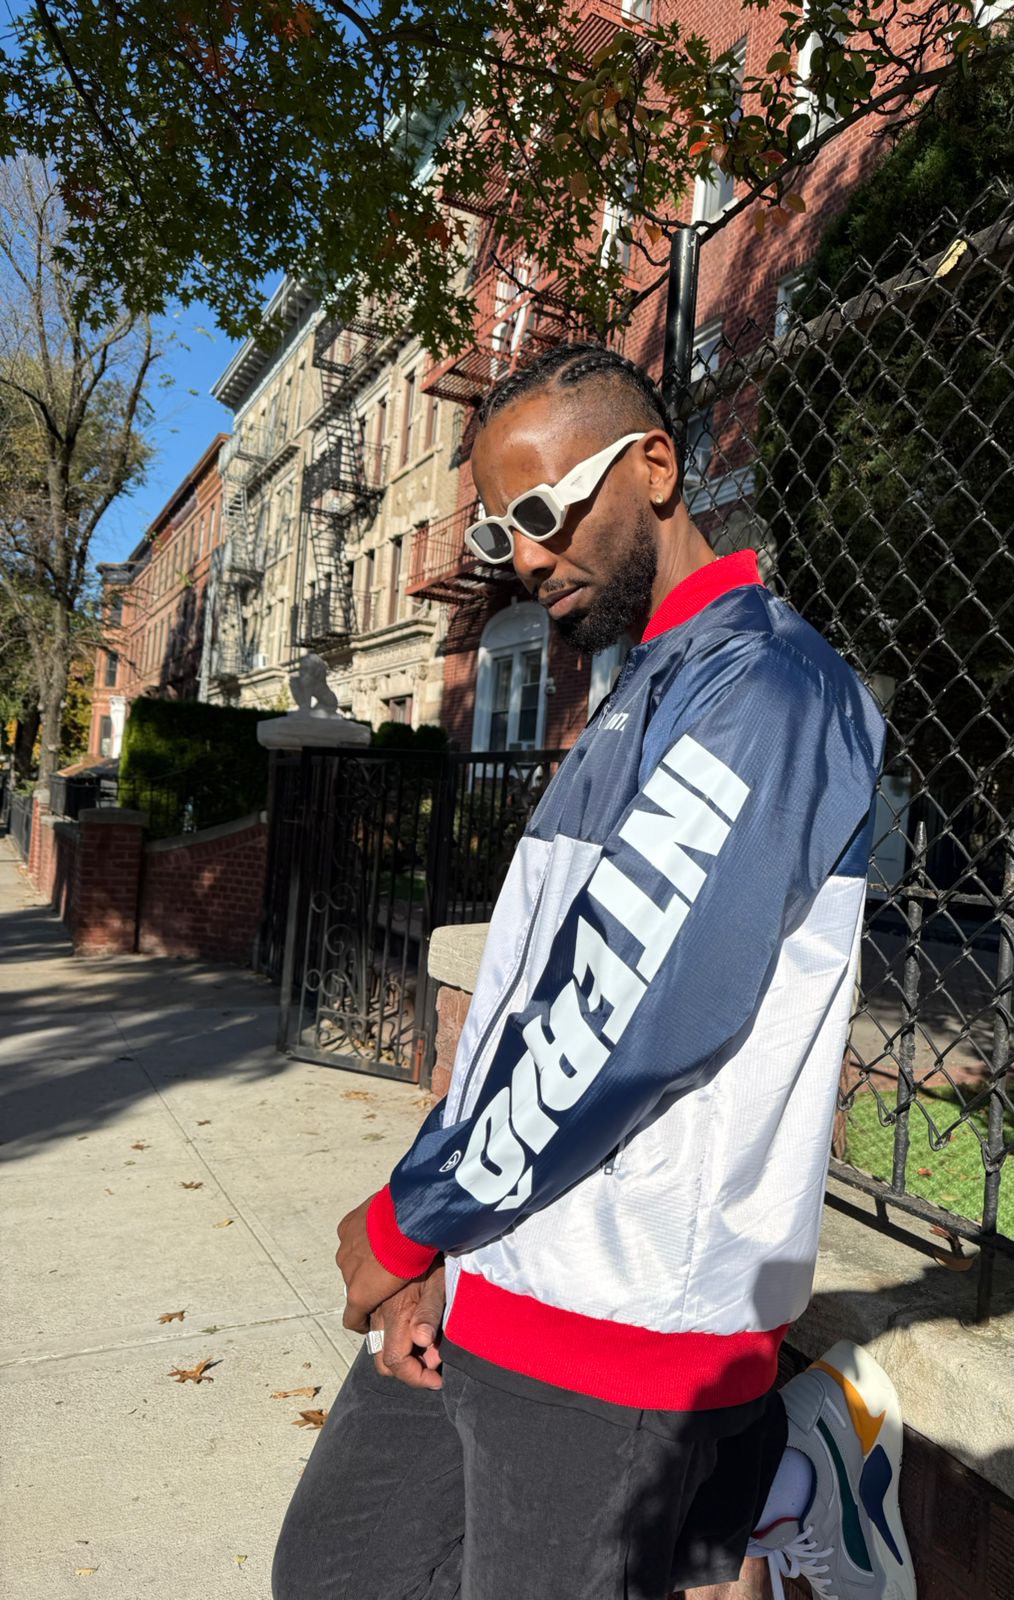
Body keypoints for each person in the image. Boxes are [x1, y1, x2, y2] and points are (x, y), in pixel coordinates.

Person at [272, 344, 916, 1600]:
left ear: (657, 467)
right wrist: (446, 1252)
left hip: (625, 1322)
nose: (524, 556)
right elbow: (527, 1004)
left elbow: (618, 1013)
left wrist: (413, 1218)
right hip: (496, 1267)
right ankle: (770, 1480)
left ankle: (772, 1470)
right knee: (339, 1571)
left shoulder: (768, 688)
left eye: (543, 509)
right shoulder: (638, 688)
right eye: (497, 526)